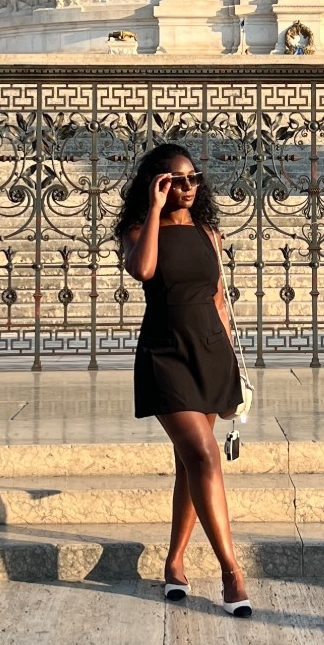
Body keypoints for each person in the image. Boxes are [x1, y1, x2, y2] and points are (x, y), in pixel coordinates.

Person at [117, 143, 251, 617]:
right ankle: (231, 570)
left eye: (194, 178)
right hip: (165, 354)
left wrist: (232, 359)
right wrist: (154, 210)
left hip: (211, 352)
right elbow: (144, 270)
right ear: (157, 183)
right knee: (203, 454)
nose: (190, 187)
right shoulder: (137, 231)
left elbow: (217, 299)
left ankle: (174, 562)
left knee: (189, 464)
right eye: (177, 180)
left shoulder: (208, 232)